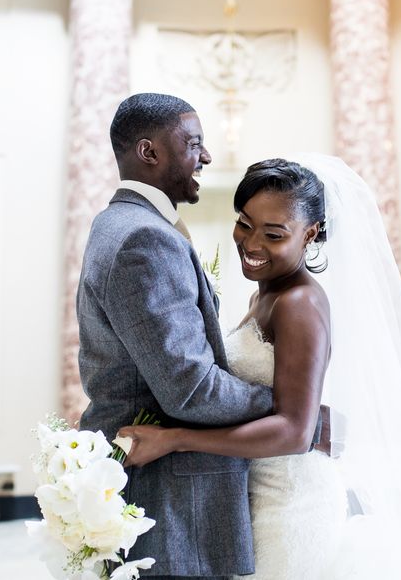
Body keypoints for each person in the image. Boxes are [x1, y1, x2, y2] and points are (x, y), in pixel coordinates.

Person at [118, 156, 401, 579]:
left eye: (273, 234)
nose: (251, 244)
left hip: (288, 507)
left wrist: (173, 439)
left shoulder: (299, 304)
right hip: (256, 495)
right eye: (244, 223)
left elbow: (294, 431)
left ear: (310, 234)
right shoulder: (265, 295)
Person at [77, 93, 323, 580]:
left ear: (309, 234)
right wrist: (294, 413)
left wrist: (295, 417)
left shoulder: (118, 226)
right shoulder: (144, 238)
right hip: (171, 498)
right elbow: (190, 388)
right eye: (194, 144)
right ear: (150, 152)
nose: (207, 156)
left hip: (193, 483)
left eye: (273, 233)